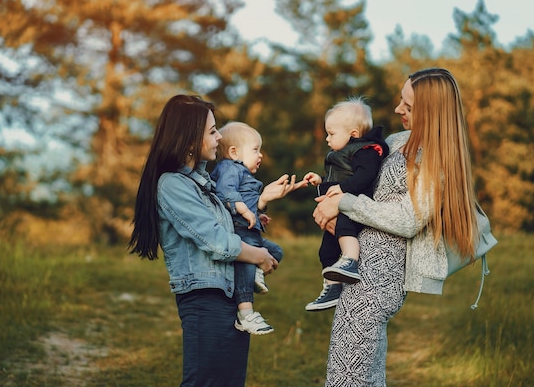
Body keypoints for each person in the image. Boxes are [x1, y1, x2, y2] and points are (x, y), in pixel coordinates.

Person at [312, 68, 478, 386]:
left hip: (377, 282)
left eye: (408, 106)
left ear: (431, 112)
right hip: (359, 270)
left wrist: (344, 204)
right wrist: (331, 207)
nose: (397, 109)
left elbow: (407, 219)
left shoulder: (436, 158)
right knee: (366, 376)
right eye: (401, 100)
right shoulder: (397, 141)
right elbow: (366, 192)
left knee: (347, 377)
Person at [128, 94, 303, 387]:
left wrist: (260, 203)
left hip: (228, 295)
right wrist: (257, 256)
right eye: (212, 131)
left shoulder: (206, 184)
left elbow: (232, 226)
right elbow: (215, 241)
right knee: (205, 381)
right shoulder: (172, 184)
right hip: (203, 298)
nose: (219, 137)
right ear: (188, 140)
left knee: (229, 381)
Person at [211, 122, 303, 334]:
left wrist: (258, 209)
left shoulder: (243, 172)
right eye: (255, 150)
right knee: (251, 253)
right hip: (239, 231)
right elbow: (226, 191)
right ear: (234, 152)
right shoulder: (229, 168)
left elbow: (247, 199)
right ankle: (245, 313)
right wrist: (244, 210)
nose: (261, 155)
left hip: (249, 228)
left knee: (276, 252)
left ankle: (251, 275)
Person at [303, 98, 389, 312]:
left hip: (354, 206)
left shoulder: (365, 150)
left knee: (344, 229)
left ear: (353, 134)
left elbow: (365, 176)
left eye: (331, 134)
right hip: (341, 205)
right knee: (325, 252)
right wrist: (321, 181)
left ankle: (350, 259)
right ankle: (332, 289)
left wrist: (343, 189)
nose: (326, 138)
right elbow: (338, 176)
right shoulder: (344, 153)